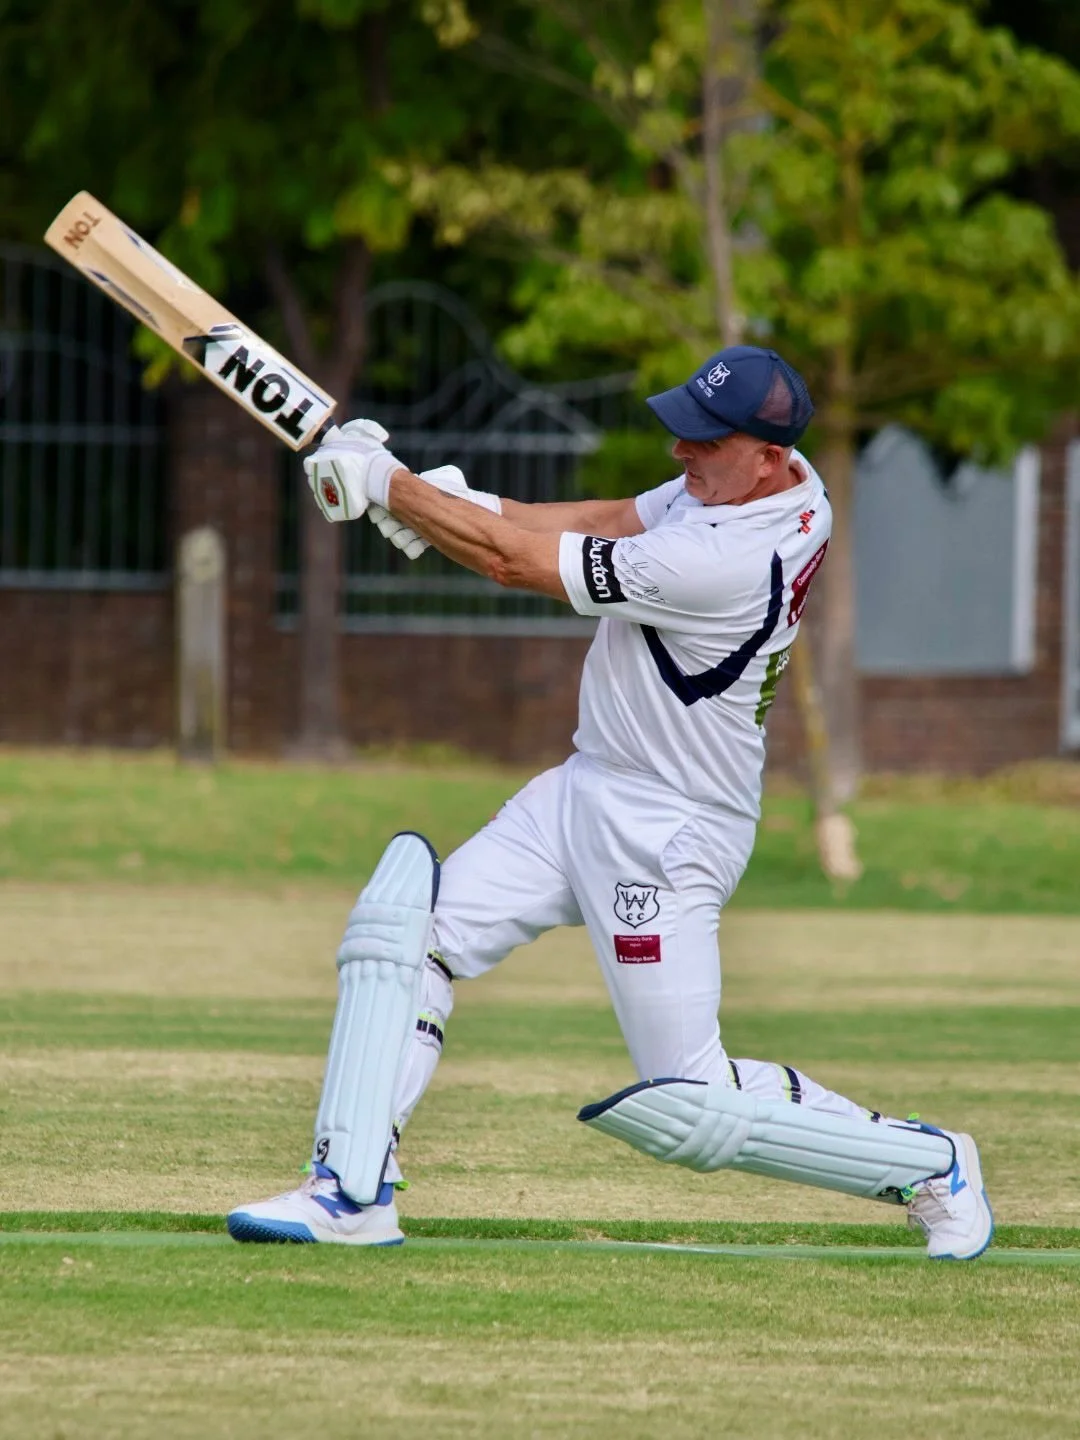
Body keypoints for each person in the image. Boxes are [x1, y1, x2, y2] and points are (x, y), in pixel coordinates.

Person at [227, 345, 993, 1260]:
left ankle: (933, 1165)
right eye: (683, 431)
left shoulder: (723, 561)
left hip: (667, 834)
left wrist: (395, 489)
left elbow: (518, 568)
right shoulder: (775, 486)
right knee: (405, 936)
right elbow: (602, 519)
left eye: (705, 441)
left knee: (689, 1096)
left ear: (765, 454)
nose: (681, 452)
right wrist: (456, 507)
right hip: (586, 785)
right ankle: (351, 1189)